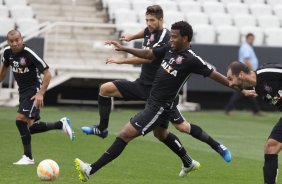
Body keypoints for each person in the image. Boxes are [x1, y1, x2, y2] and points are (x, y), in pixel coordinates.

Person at [74, 21, 236, 182]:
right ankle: (188, 162)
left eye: (174, 37)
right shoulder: (169, 48)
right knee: (161, 134)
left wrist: (239, 88)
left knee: (125, 135)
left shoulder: (192, 59)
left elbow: (214, 75)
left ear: (185, 38)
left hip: (160, 106)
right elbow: (149, 54)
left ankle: (90, 169)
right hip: (155, 100)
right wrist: (124, 48)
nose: (171, 39)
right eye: (170, 36)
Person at [0, 30, 74, 165]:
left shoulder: (29, 53)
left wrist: (41, 93)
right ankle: (61, 124)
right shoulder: (7, 53)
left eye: (17, 40)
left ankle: (28, 157)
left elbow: (47, 74)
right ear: (8, 42)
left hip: (33, 89)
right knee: (29, 127)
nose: (15, 43)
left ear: (21, 39)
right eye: (11, 41)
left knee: (19, 120)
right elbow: (4, 69)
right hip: (22, 91)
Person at [226, 61, 282, 184]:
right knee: (271, 147)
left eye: (230, 79)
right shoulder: (257, 88)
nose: (230, 83)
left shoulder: (266, 73)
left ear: (240, 74)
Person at [225, 33, 262, 116]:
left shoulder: (248, 47)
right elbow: (247, 60)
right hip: (245, 74)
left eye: (253, 39)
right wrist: (251, 72)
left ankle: (256, 110)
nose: (252, 40)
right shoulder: (246, 47)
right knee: (240, 91)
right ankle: (229, 109)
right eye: (250, 39)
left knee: (248, 92)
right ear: (247, 39)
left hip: (245, 73)